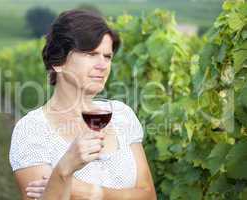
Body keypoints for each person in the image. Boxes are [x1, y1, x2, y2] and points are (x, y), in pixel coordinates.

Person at [9, 9, 156, 200]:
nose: (103, 65)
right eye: (90, 54)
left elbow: (148, 195)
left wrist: (83, 190)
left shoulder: (122, 114)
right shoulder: (31, 130)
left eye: (107, 56)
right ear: (58, 62)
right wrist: (65, 168)